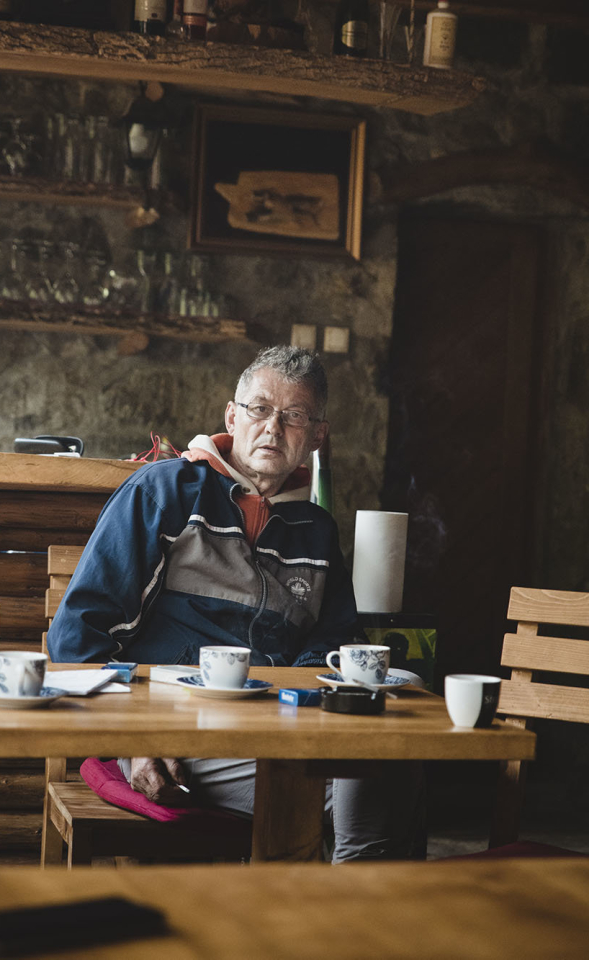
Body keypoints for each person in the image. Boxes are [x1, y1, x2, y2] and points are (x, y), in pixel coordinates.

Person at [47, 345, 425, 861]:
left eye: (294, 417)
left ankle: (344, 910)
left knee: (394, 729)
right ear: (232, 415)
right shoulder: (166, 491)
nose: (273, 428)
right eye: (260, 409)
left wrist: (308, 704)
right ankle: (348, 911)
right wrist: (131, 742)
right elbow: (77, 638)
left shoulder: (314, 530)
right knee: (374, 773)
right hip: (178, 731)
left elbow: (333, 645)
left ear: (316, 436)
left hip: (280, 726)